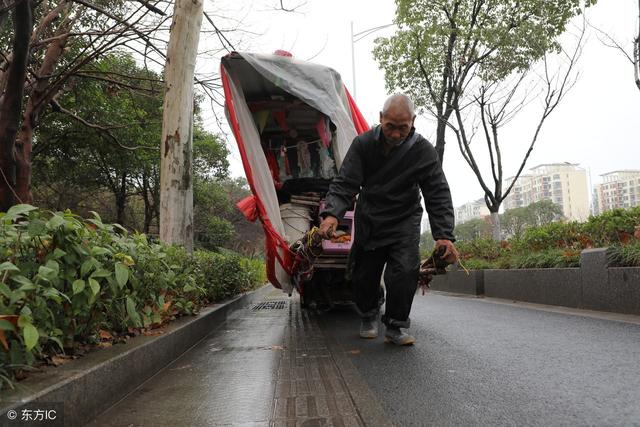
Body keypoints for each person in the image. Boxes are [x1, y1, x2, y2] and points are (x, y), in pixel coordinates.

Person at [318, 93, 457, 346]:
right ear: (380, 118)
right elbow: (345, 183)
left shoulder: (422, 151)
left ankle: (396, 325)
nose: (395, 134)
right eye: (390, 126)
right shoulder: (363, 145)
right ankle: (368, 315)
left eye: (402, 128)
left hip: (405, 220)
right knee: (365, 274)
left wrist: (444, 235)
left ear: (412, 122)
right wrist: (331, 215)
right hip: (370, 218)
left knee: (405, 270)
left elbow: (437, 191)